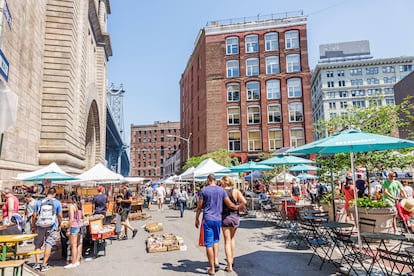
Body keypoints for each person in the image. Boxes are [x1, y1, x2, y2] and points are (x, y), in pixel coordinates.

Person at [195, 174, 240, 275]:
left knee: (208, 244)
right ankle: (215, 261)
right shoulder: (221, 190)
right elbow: (229, 204)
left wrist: (197, 218)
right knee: (216, 241)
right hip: (218, 219)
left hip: (208, 219)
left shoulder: (204, 191)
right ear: (215, 180)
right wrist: (238, 207)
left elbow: (199, 206)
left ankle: (212, 268)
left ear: (208, 180)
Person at [32, 187, 63, 272]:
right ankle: (44, 264)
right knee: (48, 244)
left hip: (40, 226)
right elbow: (60, 216)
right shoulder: (57, 203)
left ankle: (37, 263)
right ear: (54, 194)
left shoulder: (39, 202)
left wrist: (33, 226)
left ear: (46, 193)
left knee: (38, 244)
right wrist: (60, 224)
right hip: (52, 226)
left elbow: (34, 215)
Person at [220, 175, 246, 273]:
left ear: (224, 182)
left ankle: (229, 265)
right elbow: (244, 201)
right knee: (232, 239)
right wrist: (238, 207)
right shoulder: (236, 191)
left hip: (225, 217)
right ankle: (232, 259)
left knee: (227, 241)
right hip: (235, 217)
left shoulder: (222, 192)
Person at [64, 192, 83, 269]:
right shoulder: (80, 205)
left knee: (73, 245)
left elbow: (71, 219)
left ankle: (73, 262)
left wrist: (68, 229)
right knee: (78, 244)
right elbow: (83, 215)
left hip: (74, 226)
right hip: (80, 225)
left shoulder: (72, 206)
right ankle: (77, 260)